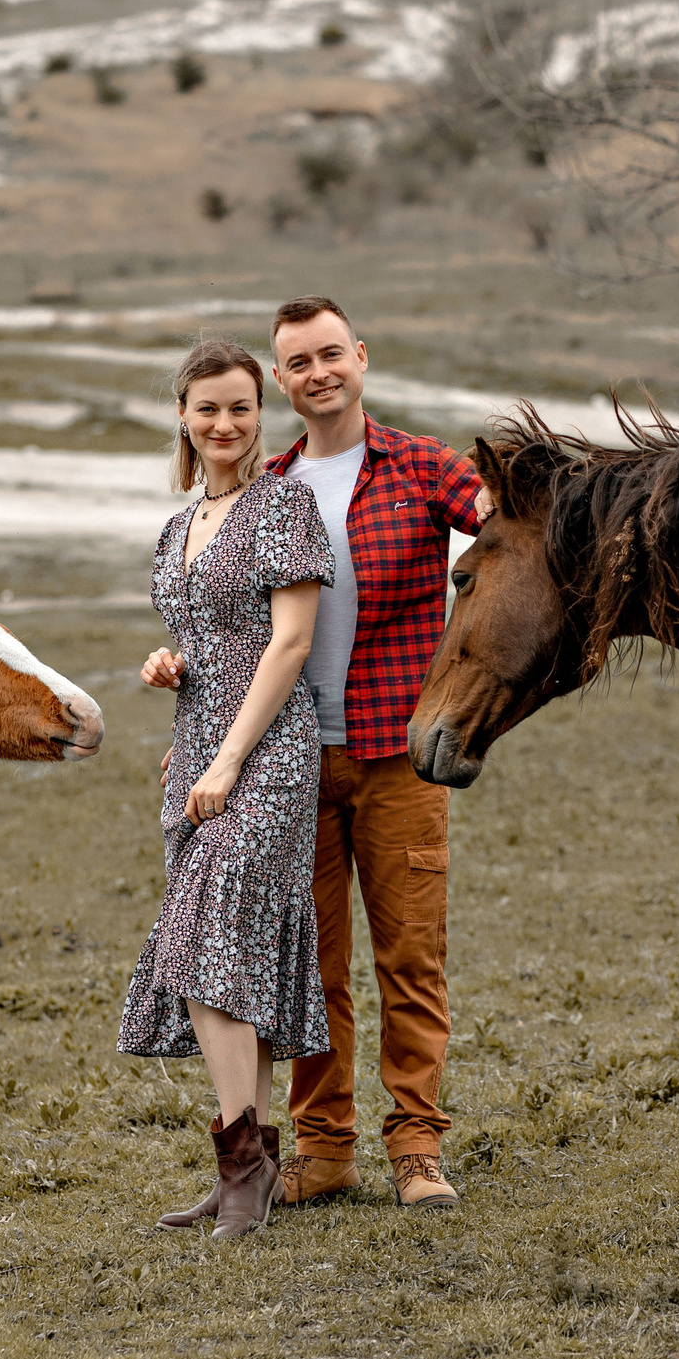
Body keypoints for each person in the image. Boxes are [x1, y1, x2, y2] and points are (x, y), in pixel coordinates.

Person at [262, 295, 486, 1211]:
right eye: (298, 362)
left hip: (398, 758)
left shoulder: (428, 469)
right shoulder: (266, 490)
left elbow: (509, 535)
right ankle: (322, 1148)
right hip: (293, 766)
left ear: (361, 357)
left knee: (409, 959)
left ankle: (417, 1146)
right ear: (282, 380)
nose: (318, 373)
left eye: (331, 354)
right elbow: (241, 622)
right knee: (312, 969)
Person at [120, 338, 334, 1240]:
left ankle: (245, 1169)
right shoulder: (179, 528)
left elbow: (288, 644)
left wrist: (229, 759)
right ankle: (244, 1161)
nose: (224, 423)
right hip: (198, 750)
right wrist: (170, 665)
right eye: (207, 407)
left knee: (214, 937)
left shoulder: (284, 503)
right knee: (215, 954)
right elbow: (207, 635)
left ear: (262, 412)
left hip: (268, 755)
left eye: (241, 407)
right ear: (182, 413)